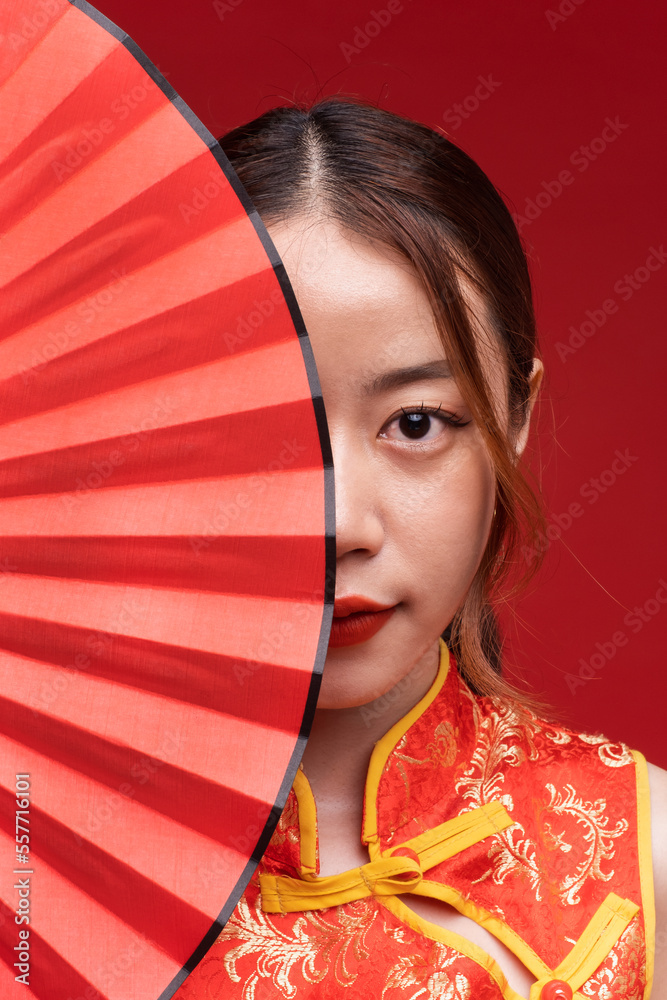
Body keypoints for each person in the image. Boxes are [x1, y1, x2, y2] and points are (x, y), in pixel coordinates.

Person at [175, 97, 666, 999]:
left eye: (414, 423)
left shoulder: (645, 860)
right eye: (261, 432)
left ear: (512, 417)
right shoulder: (38, 861)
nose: (343, 527)